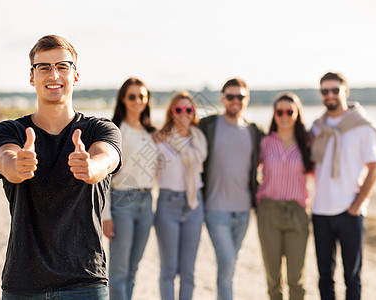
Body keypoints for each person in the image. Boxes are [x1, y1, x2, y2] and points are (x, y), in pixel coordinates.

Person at [0, 35, 122, 299]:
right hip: (23, 284)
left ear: (75, 75)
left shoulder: (100, 129)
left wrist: (91, 167)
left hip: (85, 282)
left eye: (63, 66)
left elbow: (107, 159)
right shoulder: (11, 130)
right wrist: (17, 165)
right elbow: (5, 160)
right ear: (32, 77)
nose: (54, 74)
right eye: (44, 67)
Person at [311, 72, 376, 300]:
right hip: (320, 211)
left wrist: (356, 205)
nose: (330, 95)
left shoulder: (363, 126)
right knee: (324, 277)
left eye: (335, 90)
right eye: (325, 91)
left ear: (345, 92)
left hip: (349, 212)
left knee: (352, 278)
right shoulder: (317, 127)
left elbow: (374, 168)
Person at [199, 78, 264, 300]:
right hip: (215, 209)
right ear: (222, 98)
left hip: (244, 211)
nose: (235, 101)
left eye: (240, 97)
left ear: (247, 99)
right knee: (227, 262)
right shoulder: (208, 125)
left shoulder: (254, 131)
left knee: (230, 266)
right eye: (230, 96)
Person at [102, 77, 158, 300]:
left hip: (147, 202)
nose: (138, 101)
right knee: (119, 270)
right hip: (122, 202)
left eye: (142, 96)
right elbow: (104, 177)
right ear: (123, 99)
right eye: (132, 96)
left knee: (134, 268)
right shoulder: (115, 130)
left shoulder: (150, 131)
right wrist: (106, 216)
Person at [256, 93, 313, 300]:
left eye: (290, 111)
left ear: (297, 114)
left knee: (296, 280)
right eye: (279, 112)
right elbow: (247, 169)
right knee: (273, 279)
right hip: (269, 212)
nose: (284, 116)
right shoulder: (265, 143)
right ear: (274, 114)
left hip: (297, 213)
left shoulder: (307, 143)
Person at [154, 91, 207, 300]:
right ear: (171, 112)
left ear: (193, 112)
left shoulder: (200, 139)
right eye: (178, 109)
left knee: (188, 271)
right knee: (168, 269)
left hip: (194, 204)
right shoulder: (160, 138)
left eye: (188, 109)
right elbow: (149, 172)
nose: (183, 113)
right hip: (168, 204)